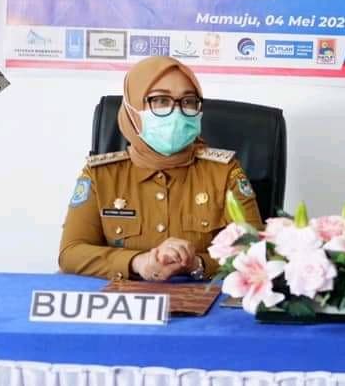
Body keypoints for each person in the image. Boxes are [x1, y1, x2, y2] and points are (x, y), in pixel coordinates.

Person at [58, 56, 263, 281]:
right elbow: (71, 253)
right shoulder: (101, 175)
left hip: (201, 294)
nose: (177, 113)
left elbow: (253, 251)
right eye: (161, 100)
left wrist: (197, 263)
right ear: (133, 109)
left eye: (188, 101)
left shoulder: (224, 172)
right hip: (122, 296)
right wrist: (137, 262)